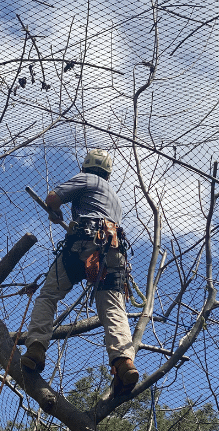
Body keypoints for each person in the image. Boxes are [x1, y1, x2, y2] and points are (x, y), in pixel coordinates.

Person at [21, 149, 139, 395]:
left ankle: (36, 347)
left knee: (49, 294)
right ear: (108, 171)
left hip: (84, 244)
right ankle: (124, 361)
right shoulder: (113, 196)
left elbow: (53, 198)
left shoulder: (87, 179)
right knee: (113, 308)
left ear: (86, 167)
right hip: (114, 251)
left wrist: (57, 213)